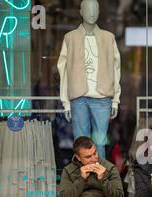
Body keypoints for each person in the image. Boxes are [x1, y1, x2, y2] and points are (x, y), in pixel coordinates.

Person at [57, 0, 121, 159]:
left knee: (99, 143)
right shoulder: (70, 38)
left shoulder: (108, 37)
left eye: (95, 9)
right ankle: (83, 180)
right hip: (78, 96)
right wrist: (65, 102)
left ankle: (99, 180)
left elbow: (116, 69)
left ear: (99, 12)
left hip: (102, 96)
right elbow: (63, 71)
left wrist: (115, 99)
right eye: (87, 9)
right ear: (81, 12)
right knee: (80, 144)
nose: (91, 13)